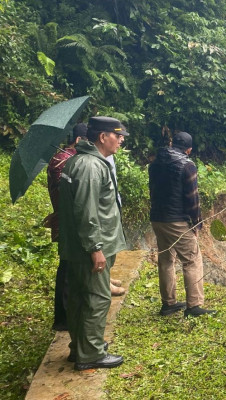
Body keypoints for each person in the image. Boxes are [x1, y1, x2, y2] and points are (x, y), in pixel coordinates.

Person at [58, 116, 127, 370]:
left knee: (78, 297)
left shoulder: (79, 161)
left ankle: (81, 347)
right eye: (117, 135)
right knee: (97, 298)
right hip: (91, 247)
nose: (120, 140)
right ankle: (92, 354)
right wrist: (95, 248)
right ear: (102, 137)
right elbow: (87, 212)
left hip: (78, 247)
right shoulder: (90, 166)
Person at [148, 131, 215, 317]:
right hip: (177, 220)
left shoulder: (154, 163)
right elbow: (192, 199)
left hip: (157, 218)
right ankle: (194, 306)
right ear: (189, 150)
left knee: (166, 260)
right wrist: (197, 224)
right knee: (192, 260)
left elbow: (152, 190)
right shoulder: (187, 165)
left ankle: (168, 304)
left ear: (171, 144)